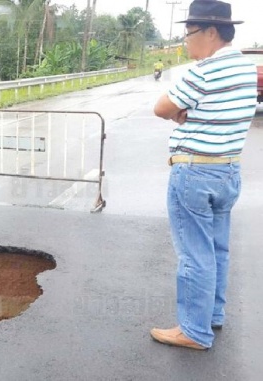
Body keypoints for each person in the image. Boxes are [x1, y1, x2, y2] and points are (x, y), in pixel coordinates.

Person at [151, 0, 258, 350]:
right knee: (217, 248)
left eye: (189, 33)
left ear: (211, 32)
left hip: (195, 171)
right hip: (228, 169)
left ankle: (193, 331)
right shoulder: (245, 67)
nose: (186, 41)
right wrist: (188, 113)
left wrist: (181, 114)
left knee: (194, 253)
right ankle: (212, 315)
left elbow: (162, 107)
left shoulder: (204, 71)